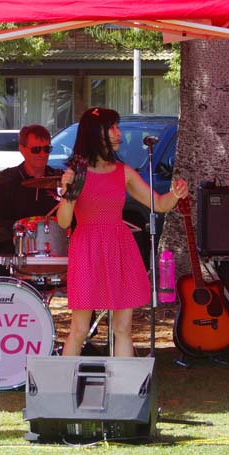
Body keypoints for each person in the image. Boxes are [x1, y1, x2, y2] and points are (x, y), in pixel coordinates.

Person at [57, 107, 187, 357]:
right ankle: (63, 381)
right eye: (113, 127)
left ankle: (123, 381)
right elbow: (63, 222)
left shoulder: (123, 172)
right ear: (95, 133)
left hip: (119, 247)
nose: (118, 133)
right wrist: (68, 192)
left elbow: (159, 204)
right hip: (86, 249)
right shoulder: (77, 173)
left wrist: (175, 194)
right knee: (80, 329)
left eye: (117, 127)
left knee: (123, 328)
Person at [0, 125, 63, 274]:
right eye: (36, 149)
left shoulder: (60, 180)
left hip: (53, 256)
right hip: (11, 254)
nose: (42, 154)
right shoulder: (6, 180)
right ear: (22, 149)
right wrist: (21, 228)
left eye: (47, 149)